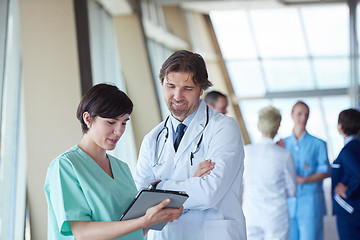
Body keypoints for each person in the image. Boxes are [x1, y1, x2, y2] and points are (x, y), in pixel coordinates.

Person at [44, 83, 183, 240]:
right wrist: (143, 221)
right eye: (111, 122)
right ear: (88, 119)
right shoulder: (65, 166)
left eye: (124, 122)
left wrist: (152, 220)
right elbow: (81, 232)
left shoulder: (121, 168)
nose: (119, 131)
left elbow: (132, 231)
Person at [133, 50, 247, 240]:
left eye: (187, 88)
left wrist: (157, 186)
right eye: (170, 86)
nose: (177, 96)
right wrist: (192, 182)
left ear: (201, 89)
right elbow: (140, 202)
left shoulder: (224, 129)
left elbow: (209, 193)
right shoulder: (152, 139)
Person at [243, 106, 296, 240]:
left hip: (251, 215)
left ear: (258, 126)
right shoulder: (284, 155)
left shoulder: (245, 151)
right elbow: (292, 191)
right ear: (277, 127)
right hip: (276, 217)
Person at [283, 100, 330, 240]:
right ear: (292, 115)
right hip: (288, 205)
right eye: (299, 114)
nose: (303, 118)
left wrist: (303, 180)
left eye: (306, 115)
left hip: (311, 205)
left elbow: (326, 171)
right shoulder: (282, 144)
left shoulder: (318, 144)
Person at [331, 108, 360, 240]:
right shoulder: (355, 147)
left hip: (349, 211)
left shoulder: (347, 151)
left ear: (340, 126)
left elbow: (358, 175)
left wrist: (347, 191)